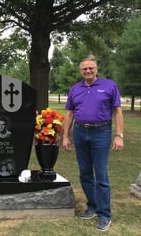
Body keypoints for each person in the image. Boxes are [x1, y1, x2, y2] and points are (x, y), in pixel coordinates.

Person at [63, 56, 124, 232]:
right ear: (80, 71)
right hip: (80, 132)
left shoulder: (109, 86)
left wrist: (119, 135)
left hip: (101, 132)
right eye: (84, 69)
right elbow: (69, 114)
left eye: (91, 68)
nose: (88, 71)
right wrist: (66, 136)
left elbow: (118, 112)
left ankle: (105, 214)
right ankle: (93, 206)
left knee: (101, 175)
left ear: (96, 69)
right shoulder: (75, 89)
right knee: (85, 173)